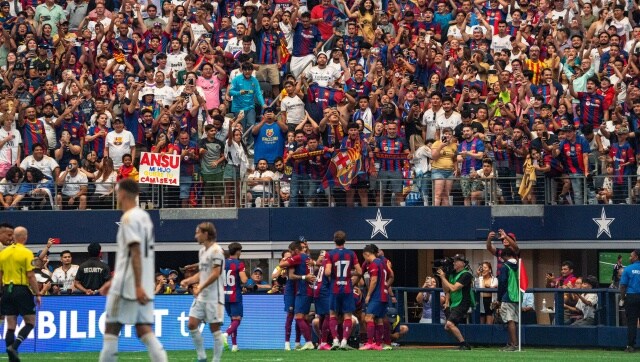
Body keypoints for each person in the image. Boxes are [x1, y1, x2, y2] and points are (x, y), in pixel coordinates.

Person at [98, 179, 168, 362]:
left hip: (128, 284)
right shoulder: (144, 217)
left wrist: (134, 285)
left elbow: (135, 252)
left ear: (122, 194)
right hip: (142, 281)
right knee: (143, 329)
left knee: (111, 328)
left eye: (116, 193)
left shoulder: (128, 218)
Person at [179, 222, 226, 362]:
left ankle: (216, 360)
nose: (195, 236)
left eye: (197, 233)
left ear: (206, 234)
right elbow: (203, 272)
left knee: (214, 329)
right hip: (201, 297)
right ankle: (202, 356)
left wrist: (201, 287)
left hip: (214, 297)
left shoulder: (217, 251)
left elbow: (216, 273)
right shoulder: (202, 251)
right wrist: (189, 281)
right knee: (191, 324)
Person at [0, 226, 41, 362]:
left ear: (14, 237)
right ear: (25, 237)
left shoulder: (3, 253)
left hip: (7, 289)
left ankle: (12, 358)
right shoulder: (26, 253)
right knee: (30, 322)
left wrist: (2, 291)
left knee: (10, 325)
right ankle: (15, 347)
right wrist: (38, 293)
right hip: (21, 289)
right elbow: (31, 276)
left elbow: (0, 274)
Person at [324, 230, 362, 350]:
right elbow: (360, 272)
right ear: (345, 241)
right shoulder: (351, 254)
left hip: (335, 287)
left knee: (333, 314)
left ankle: (335, 340)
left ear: (334, 240)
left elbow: (328, 272)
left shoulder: (330, 254)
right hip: (347, 287)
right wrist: (349, 273)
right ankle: (344, 341)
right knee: (347, 315)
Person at [436, 254, 473, 350]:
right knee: (447, 327)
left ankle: (464, 344)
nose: (454, 263)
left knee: (450, 324)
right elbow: (446, 290)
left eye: (457, 261)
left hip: (463, 302)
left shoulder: (466, 274)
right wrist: (442, 278)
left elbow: (453, 288)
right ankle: (462, 342)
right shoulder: (452, 274)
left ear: (463, 263)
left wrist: (444, 278)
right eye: (454, 261)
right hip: (453, 302)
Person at [359, 244, 388, 351]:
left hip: (377, 295)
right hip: (384, 295)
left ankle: (370, 342)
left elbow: (374, 280)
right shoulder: (381, 263)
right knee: (379, 319)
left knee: (368, 318)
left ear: (366, 254)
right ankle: (378, 344)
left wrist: (368, 295)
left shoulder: (374, 264)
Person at [223, 242, 248, 352]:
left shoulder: (222, 263)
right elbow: (244, 280)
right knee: (237, 319)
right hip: (235, 295)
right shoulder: (239, 264)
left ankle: (234, 345)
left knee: (233, 320)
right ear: (238, 251)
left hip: (224, 295)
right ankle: (225, 334)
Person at [495, 248, 519, 352]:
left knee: (510, 320)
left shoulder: (505, 267)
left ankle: (513, 344)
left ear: (505, 256)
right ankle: (511, 343)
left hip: (508, 296)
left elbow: (502, 283)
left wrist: (499, 298)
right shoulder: (519, 266)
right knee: (513, 320)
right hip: (517, 296)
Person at [620, 249, 640, 353]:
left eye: (631, 256)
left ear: (636, 257)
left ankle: (631, 346)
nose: (629, 258)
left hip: (632, 298)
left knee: (632, 323)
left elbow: (623, 286)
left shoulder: (628, 269)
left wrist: (622, 299)